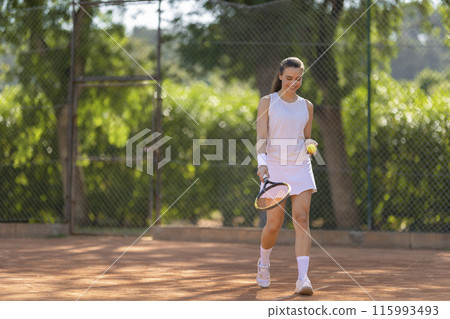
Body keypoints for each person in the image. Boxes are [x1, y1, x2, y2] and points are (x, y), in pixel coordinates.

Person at [256, 57, 318, 295]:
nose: (294, 83)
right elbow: (262, 137)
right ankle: (263, 264)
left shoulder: (307, 106)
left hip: (301, 166)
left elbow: (306, 137)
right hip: (274, 167)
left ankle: (302, 278)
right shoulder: (267, 102)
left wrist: (311, 144)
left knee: (301, 219)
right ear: (280, 76)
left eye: (298, 78)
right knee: (274, 225)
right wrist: (262, 166)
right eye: (289, 78)